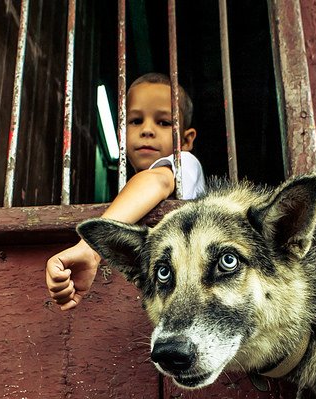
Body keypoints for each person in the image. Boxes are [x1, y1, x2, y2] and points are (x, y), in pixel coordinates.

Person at [45, 73, 206, 310]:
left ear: (186, 139)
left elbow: (158, 182)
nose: (147, 130)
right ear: (122, 131)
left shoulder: (186, 164)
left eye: (163, 122)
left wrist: (89, 249)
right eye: (135, 121)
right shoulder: (129, 190)